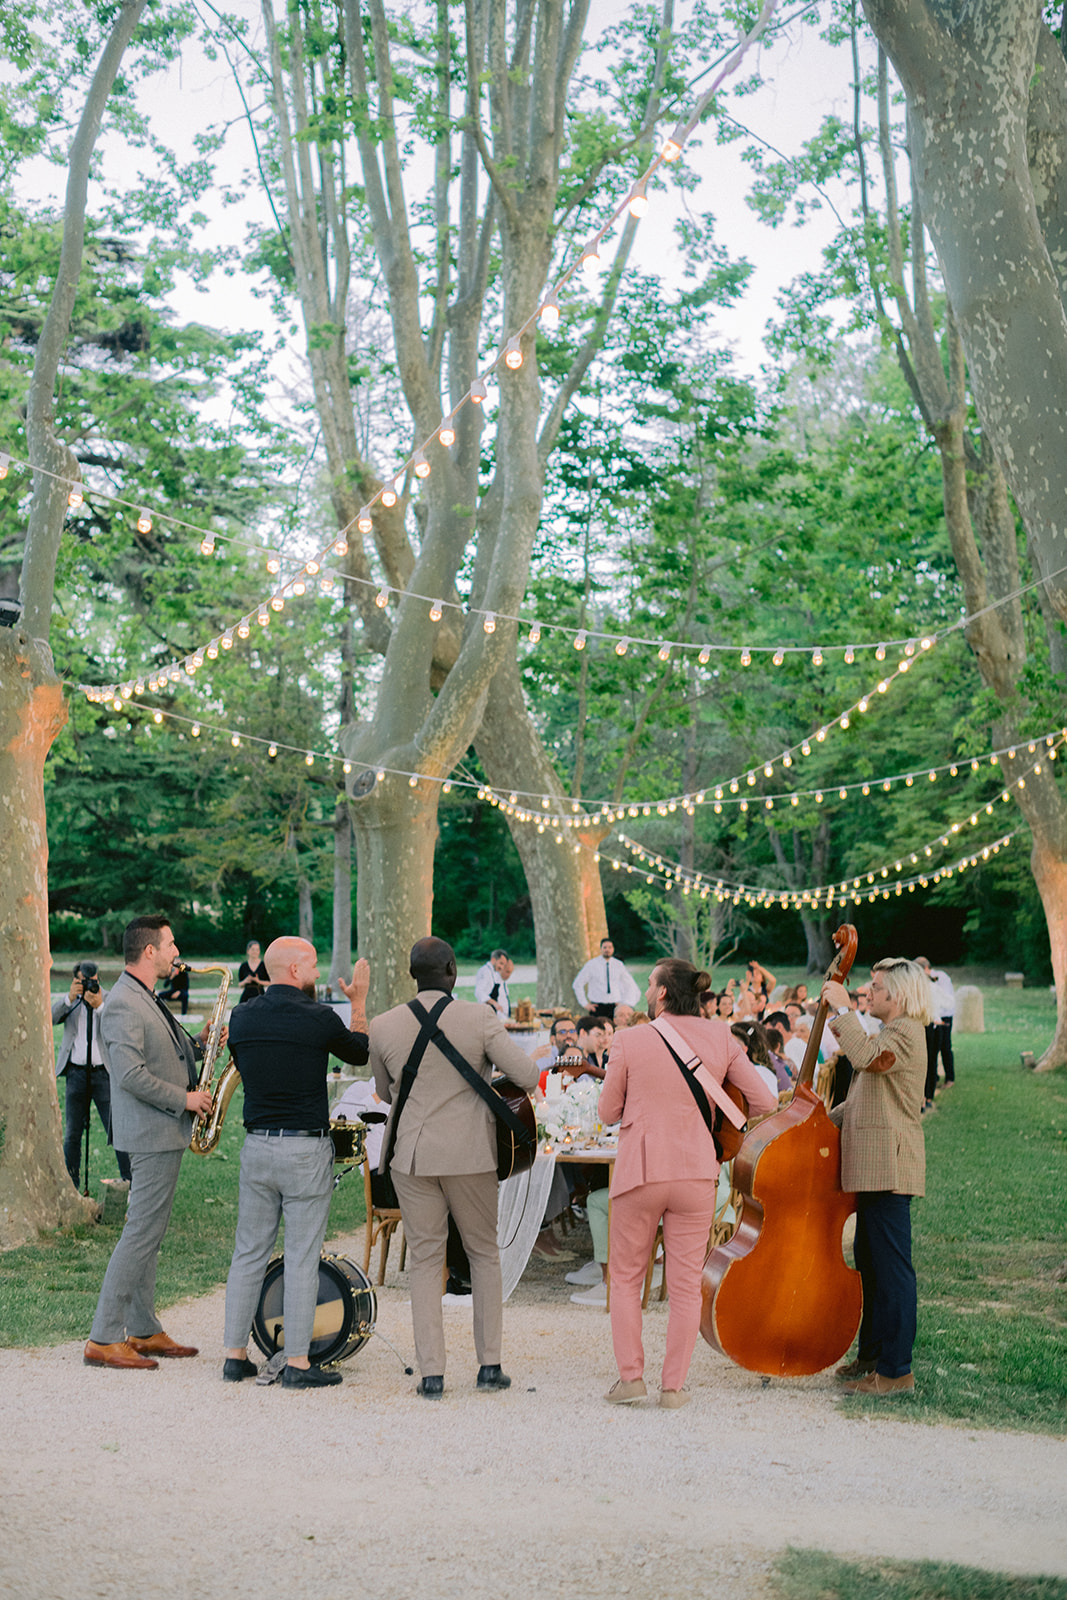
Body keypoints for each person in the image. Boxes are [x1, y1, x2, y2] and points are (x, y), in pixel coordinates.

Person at [597, 958, 778, 1407]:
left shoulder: (630, 1039)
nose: (644, 990)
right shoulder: (723, 1036)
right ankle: (673, 1388)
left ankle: (631, 1379)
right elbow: (763, 1101)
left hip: (640, 1170)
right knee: (683, 1284)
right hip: (697, 1170)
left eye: (648, 983)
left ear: (661, 993)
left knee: (625, 1278)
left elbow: (606, 1113)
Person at [370, 937, 540, 1397]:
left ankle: (431, 1374)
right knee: (483, 1253)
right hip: (470, 1153)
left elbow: (387, 1094)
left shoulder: (383, 1025)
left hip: (413, 1154)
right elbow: (525, 1076)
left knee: (426, 1258)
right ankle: (489, 1366)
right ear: (452, 971)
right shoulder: (479, 1017)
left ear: (412, 974)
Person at [221, 939, 370, 1389]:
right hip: (304, 1149)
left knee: (248, 1252)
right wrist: (358, 1002)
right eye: (311, 963)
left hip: (258, 1147)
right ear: (291, 969)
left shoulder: (242, 1016)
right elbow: (360, 1052)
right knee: (303, 1258)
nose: (318, 970)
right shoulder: (318, 1018)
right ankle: (299, 1363)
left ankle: (234, 1355)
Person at [84, 916, 218, 1370]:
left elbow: (164, 1054)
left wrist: (199, 1044)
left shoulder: (143, 995)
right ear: (149, 952)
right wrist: (186, 1099)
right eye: (170, 943)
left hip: (159, 1131)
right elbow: (129, 1075)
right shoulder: (123, 1002)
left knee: (150, 1232)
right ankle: (103, 1336)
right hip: (150, 1132)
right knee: (141, 1231)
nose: (175, 950)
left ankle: (142, 1329)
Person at [821, 958, 932, 1397]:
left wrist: (844, 1009)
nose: (869, 990)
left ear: (898, 996)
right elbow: (864, 1099)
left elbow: (865, 1058)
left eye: (876, 986)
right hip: (873, 1167)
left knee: (892, 1271)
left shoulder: (905, 1033)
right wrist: (814, 1122)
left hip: (890, 1166)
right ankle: (872, 1356)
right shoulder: (891, 1033)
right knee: (872, 1266)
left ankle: (895, 1370)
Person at [53, 961, 131, 1188]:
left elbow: (119, 1027)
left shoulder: (108, 998)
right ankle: (72, 1186)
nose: (90, 985)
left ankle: (130, 1182)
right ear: (76, 980)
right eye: (85, 982)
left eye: (94, 981)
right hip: (76, 1074)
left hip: (103, 1075)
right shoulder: (70, 1002)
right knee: (72, 1133)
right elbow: (50, 1019)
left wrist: (99, 1007)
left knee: (115, 1130)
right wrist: (69, 998)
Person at [915, 956, 955, 1106]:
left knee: (922, 1062)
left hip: (923, 1025)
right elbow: (949, 1002)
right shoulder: (933, 987)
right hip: (934, 1024)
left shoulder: (918, 988)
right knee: (931, 1061)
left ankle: (922, 1097)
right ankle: (928, 1095)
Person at [572, 938, 641, 1020]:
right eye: (605, 947)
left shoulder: (618, 965)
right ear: (600, 949)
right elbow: (577, 984)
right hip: (597, 1007)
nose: (607, 950)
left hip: (615, 1006)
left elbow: (629, 984)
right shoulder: (591, 965)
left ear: (613, 949)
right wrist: (585, 1004)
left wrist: (626, 1002)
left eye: (609, 947)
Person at [473, 948, 511, 1016]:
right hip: (485, 1011)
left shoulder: (494, 972)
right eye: (501, 963)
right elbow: (479, 992)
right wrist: (494, 1003)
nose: (502, 967)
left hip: (494, 1012)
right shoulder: (485, 971)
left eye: (504, 965)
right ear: (493, 960)